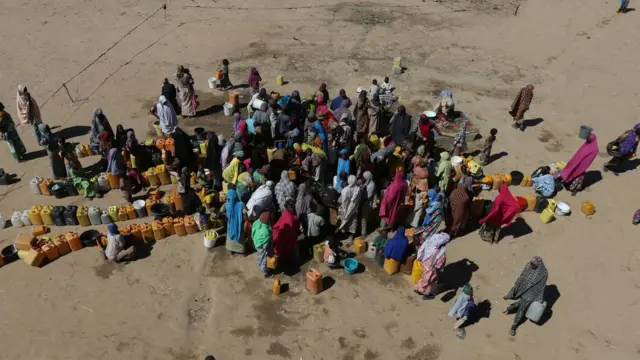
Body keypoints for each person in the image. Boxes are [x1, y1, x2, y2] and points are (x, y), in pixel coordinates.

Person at [503, 256, 548, 336]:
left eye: (533, 264)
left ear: (538, 265)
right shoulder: (528, 265)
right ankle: (510, 308)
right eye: (531, 263)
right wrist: (516, 287)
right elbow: (522, 276)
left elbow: (541, 287)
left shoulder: (543, 273)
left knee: (522, 310)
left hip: (531, 293)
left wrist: (538, 298)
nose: (531, 265)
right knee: (522, 303)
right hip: (522, 288)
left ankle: (514, 325)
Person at [415, 232, 450, 299]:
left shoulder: (430, 243)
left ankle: (418, 288)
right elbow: (439, 265)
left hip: (425, 263)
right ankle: (426, 294)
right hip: (431, 268)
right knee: (429, 281)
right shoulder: (439, 252)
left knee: (423, 277)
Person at [273, 199, 300, 271]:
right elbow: (290, 232)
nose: (292, 208)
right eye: (290, 207)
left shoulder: (286, 213)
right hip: (287, 238)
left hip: (285, 236)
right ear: (287, 207)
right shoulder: (289, 219)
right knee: (293, 251)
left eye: (293, 206)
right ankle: (295, 263)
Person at [337, 175, 362, 241]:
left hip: (345, 210)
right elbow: (358, 199)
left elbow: (340, 200)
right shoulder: (358, 189)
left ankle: (344, 234)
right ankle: (351, 236)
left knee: (345, 221)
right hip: (354, 210)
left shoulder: (345, 190)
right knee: (352, 223)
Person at [251, 210, 273, 276]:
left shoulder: (256, 222)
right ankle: (266, 273)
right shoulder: (266, 232)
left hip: (257, 243)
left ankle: (261, 265)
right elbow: (266, 246)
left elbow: (252, 233)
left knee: (260, 256)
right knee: (264, 258)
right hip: (263, 246)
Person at [225, 189, 246, 254]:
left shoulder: (227, 204)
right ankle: (240, 250)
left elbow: (221, 210)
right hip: (239, 224)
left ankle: (231, 249)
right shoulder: (241, 204)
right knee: (240, 236)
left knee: (230, 236)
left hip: (230, 224)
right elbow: (246, 214)